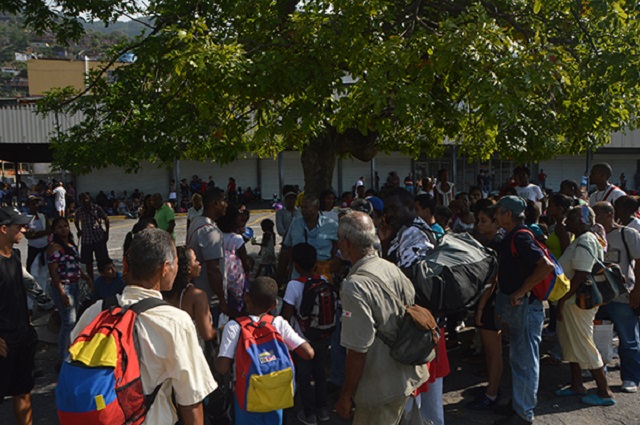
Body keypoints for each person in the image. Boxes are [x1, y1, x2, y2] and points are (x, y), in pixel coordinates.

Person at [73, 228, 218, 424]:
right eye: (175, 262)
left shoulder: (95, 312)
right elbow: (191, 400)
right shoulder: (175, 322)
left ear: (125, 264)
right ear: (165, 269)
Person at [335, 212, 429, 425]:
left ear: (347, 244)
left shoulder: (354, 286)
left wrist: (346, 395)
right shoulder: (391, 267)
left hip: (379, 388)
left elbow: (357, 350)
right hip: (406, 375)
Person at [379, 188, 447, 425]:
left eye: (394, 209)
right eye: (386, 210)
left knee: (416, 391)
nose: (389, 215)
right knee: (426, 391)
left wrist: (386, 249)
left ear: (410, 206)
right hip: (422, 323)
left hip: (418, 326)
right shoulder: (405, 232)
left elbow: (405, 280)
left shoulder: (413, 235)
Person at [215, 276, 314, 425]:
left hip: (247, 397)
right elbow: (308, 353)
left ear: (247, 297)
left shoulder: (234, 327)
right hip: (276, 396)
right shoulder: (279, 324)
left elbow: (222, 368)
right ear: (274, 305)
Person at [492, 195, 554, 425]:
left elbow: (545, 266)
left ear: (508, 215)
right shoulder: (514, 236)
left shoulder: (520, 237)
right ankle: (520, 406)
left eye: (499, 211)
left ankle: (524, 414)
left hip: (526, 307)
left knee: (525, 360)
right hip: (521, 307)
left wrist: (520, 291)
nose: (496, 215)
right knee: (519, 358)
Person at [555, 205, 615, 406]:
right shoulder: (581, 239)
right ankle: (576, 384)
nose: (566, 221)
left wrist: (562, 300)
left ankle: (604, 391)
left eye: (571, 217)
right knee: (571, 342)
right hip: (572, 302)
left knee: (583, 343)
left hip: (577, 302)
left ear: (581, 220)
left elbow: (581, 273)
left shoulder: (585, 240)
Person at [593, 202, 640, 393]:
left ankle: (631, 378)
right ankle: (600, 373)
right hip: (599, 296)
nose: (594, 219)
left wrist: (637, 291)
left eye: (596, 215)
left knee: (628, 339)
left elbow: (639, 262)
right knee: (599, 337)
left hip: (623, 296)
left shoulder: (628, 234)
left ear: (608, 214)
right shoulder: (594, 236)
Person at [282, 243, 331, 425]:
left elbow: (286, 315)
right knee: (319, 374)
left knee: (304, 376)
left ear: (295, 265)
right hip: (322, 336)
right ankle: (323, 409)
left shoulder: (294, 285)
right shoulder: (324, 280)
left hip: (301, 340)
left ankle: (309, 414)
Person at [0, 206, 39, 425]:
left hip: (22, 336)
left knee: (24, 393)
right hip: (3, 341)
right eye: (18, 226)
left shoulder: (15, 255)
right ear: (3, 229)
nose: (23, 229)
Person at [468, 200, 504, 410]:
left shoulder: (498, 244)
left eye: (483, 221)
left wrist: (480, 308)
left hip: (491, 304)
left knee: (493, 352)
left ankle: (491, 394)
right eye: (478, 220)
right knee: (489, 351)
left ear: (495, 222)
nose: (479, 225)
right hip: (486, 302)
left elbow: (493, 280)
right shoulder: (489, 242)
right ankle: (492, 387)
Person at [47, 217, 92, 365]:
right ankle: (62, 358)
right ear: (54, 230)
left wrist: (86, 278)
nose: (63, 229)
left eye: (65, 226)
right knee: (68, 322)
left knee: (72, 321)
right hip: (64, 286)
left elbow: (75, 265)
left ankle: (69, 352)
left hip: (74, 285)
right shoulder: (54, 247)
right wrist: (61, 293)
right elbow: (53, 273)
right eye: (59, 227)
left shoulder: (70, 244)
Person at [187, 187, 228, 324]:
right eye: (223, 201)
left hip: (199, 294)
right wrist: (222, 299)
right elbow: (213, 270)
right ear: (214, 203)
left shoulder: (196, 222)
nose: (225, 205)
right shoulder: (209, 231)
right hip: (210, 299)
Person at [163, 246, 216, 348]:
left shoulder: (163, 292)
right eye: (195, 260)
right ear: (187, 267)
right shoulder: (197, 296)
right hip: (192, 352)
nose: (198, 263)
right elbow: (207, 334)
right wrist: (221, 331)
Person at [282, 195, 338, 283]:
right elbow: (289, 247)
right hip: (298, 275)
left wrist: (333, 263)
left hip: (322, 274)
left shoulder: (331, 225)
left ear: (316, 208)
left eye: (306, 207)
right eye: (301, 207)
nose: (303, 210)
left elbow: (338, 246)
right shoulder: (296, 223)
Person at [74, 193, 110, 281]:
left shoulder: (96, 208)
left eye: (86, 198)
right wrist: (79, 230)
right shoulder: (79, 211)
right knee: (88, 262)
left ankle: (104, 278)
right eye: (82, 199)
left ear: (89, 198)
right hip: (86, 239)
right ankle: (91, 280)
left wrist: (107, 233)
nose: (85, 200)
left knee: (102, 260)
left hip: (98, 237)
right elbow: (76, 221)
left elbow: (106, 219)